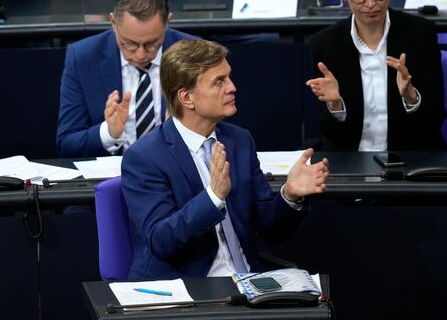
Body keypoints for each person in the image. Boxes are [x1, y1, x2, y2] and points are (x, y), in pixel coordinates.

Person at [122, 38, 329, 278]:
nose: (232, 87)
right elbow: (161, 241)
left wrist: (290, 194)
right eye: (219, 81)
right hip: (189, 287)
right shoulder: (145, 157)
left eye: (228, 77)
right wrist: (213, 197)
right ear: (187, 98)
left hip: (248, 278)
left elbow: (270, 231)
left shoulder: (239, 141)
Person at [306, 0, 447, 151]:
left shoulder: (420, 34)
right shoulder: (325, 44)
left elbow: (435, 122)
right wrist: (335, 105)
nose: (370, 3)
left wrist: (411, 97)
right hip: (350, 162)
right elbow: (331, 135)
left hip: (409, 160)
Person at [57, 0, 194, 157]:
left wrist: (185, 130)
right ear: (113, 22)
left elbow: (218, 133)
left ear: (168, 22)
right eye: (129, 43)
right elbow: (66, 144)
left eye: (152, 43)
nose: (141, 54)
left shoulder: (193, 55)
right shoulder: (83, 57)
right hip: (112, 176)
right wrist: (109, 132)